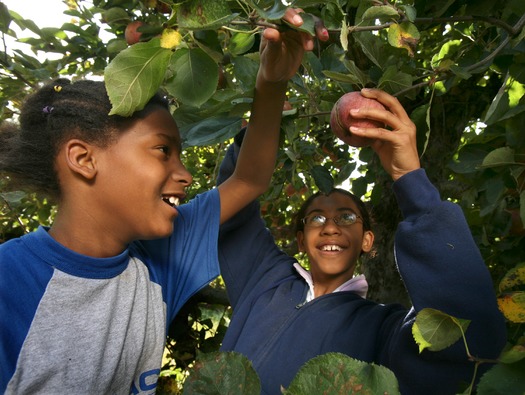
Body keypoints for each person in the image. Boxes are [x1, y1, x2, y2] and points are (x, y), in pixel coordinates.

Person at [0, 9, 329, 394]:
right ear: (83, 159)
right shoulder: (10, 282)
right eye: (162, 151)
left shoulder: (160, 259)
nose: (185, 174)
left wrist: (271, 83)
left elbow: (249, 178)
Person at [216, 89, 507, 394]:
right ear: (301, 240)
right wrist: (255, 135)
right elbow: (232, 214)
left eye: (346, 217)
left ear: (367, 240)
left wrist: (410, 178)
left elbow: (473, 335)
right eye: (316, 218)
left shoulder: (382, 330)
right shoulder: (264, 280)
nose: (330, 226)